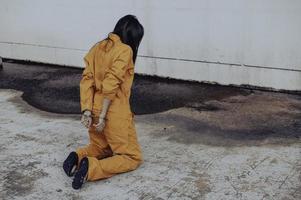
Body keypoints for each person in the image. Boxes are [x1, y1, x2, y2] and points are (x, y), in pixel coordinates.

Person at [63, 15, 144, 190]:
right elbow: (111, 84)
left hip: (93, 106)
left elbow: (87, 81)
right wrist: (104, 117)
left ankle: (77, 157)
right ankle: (91, 168)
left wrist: (86, 111)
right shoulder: (125, 50)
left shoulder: (97, 47)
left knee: (101, 147)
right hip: (113, 111)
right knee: (132, 157)